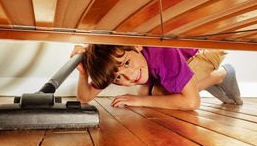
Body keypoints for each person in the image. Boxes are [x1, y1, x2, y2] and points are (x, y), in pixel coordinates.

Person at [71, 44, 243, 110]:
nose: (130, 77)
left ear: (137, 46)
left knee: (158, 94)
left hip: (203, 52)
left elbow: (192, 103)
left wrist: (139, 101)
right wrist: (83, 72)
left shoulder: (160, 53)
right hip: (179, 63)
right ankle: (191, 80)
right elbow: (85, 97)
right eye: (118, 78)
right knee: (146, 92)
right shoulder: (113, 62)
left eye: (127, 63)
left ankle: (221, 74)